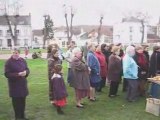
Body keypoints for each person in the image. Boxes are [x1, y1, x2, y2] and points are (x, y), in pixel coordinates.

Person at [4, 48, 30, 120]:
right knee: (16, 103)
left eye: (17, 53)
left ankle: (22, 116)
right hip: (14, 86)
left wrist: (26, 72)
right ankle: (17, 117)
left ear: (19, 53)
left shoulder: (22, 60)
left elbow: (27, 69)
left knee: (23, 102)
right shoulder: (8, 62)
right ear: (12, 53)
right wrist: (18, 74)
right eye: (14, 53)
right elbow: (7, 74)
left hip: (22, 85)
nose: (15, 54)